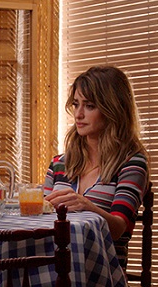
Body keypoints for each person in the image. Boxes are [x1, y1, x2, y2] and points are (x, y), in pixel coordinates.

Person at [44, 65, 149, 259]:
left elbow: (118, 229)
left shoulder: (131, 164)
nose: (79, 114)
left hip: (103, 273)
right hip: (56, 266)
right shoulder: (59, 164)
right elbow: (42, 219)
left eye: (90, 106)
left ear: (113, 109)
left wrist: (86, 205)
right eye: (76, 104)